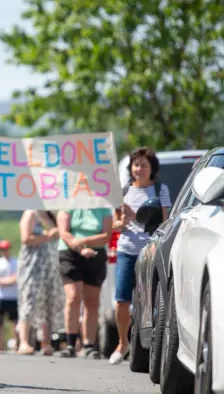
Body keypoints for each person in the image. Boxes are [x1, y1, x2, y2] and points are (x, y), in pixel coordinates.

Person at [109, 147, 171, 365]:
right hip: (126, 250)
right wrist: (122, 222)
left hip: (150, 251)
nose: (139, 169)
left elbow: (162, 223)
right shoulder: (124, 191)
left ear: (152, 169)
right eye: (136, 165)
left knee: (150, 299)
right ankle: (122, 342)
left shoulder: (160, 190)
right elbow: (115, 225)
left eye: (144, 165)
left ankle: (150, 342)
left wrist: (134, 216)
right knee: (121, 300)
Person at [57, 207, 113, 359]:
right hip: (70, 253)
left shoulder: (103, 209)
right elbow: (64, 232)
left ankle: (89, 345)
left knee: (92, 300)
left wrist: (84, 241)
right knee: (73, 297)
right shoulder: (69, 204)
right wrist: (80, 249)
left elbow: (106, 235)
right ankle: (70, 343)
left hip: (95, 254)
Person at [16, 210, 63, 356]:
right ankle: (23, 342)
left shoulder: (52, 215)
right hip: (32, 265)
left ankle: (46, 342)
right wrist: (47, 236)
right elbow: (26, 238)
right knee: (29, 300)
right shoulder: (31, 214)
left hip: (51, 265)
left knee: (48, 301)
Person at [0, 239, 19, 351]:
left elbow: (17, 278)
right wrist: (10, 281)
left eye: (6, 249)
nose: (4, 251)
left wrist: (5, 281)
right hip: (0, 296)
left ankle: (16, 342)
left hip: (13, 296)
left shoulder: (15, 262)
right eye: (2, 249)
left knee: (14, 321)